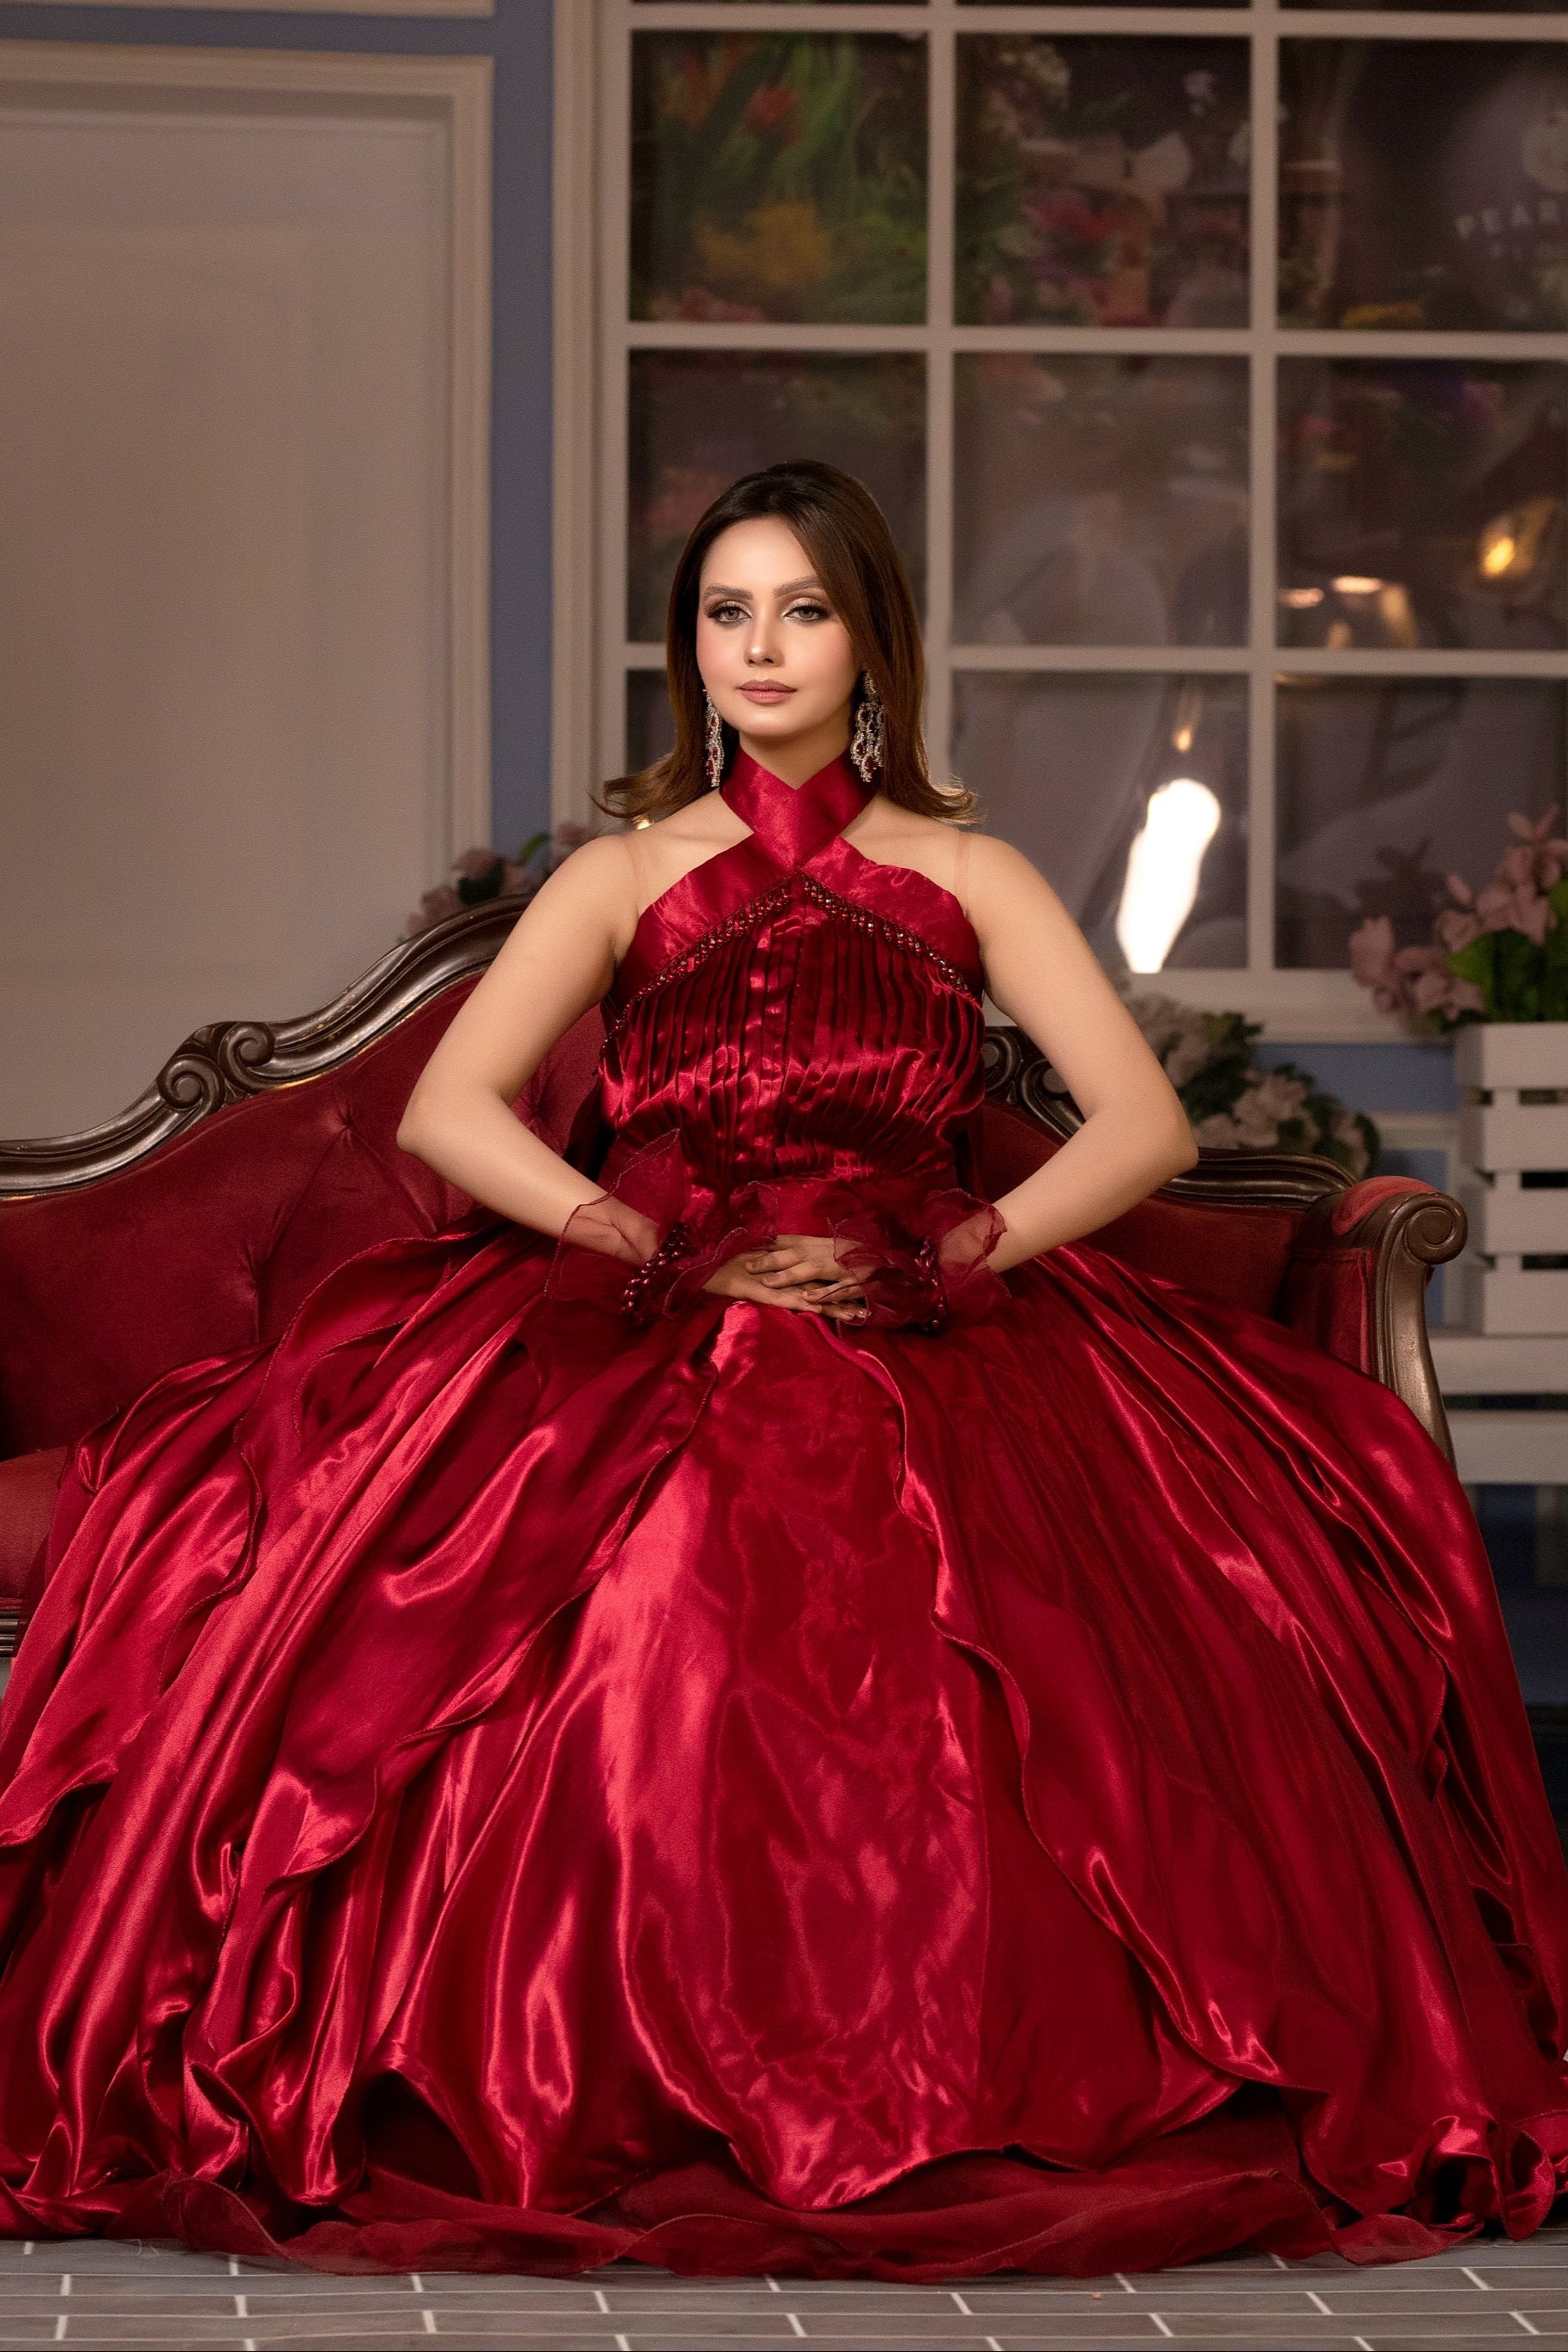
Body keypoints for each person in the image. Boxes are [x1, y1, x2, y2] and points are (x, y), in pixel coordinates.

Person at [0, 460, 1565, 2280]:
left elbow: (1135, 1123)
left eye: (798, 610)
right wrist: (642, 1245)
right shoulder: (624, 869)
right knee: (619, 1575)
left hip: (914, 1304)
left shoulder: (961, 871)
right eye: (723, 611)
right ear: (687, 645)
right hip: (657, 1291)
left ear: (868, 639)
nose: (757, 646)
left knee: (1074, 1603)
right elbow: (449, 1107)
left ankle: (953, 2072)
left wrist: (960, 1246)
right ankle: (606, 2069)